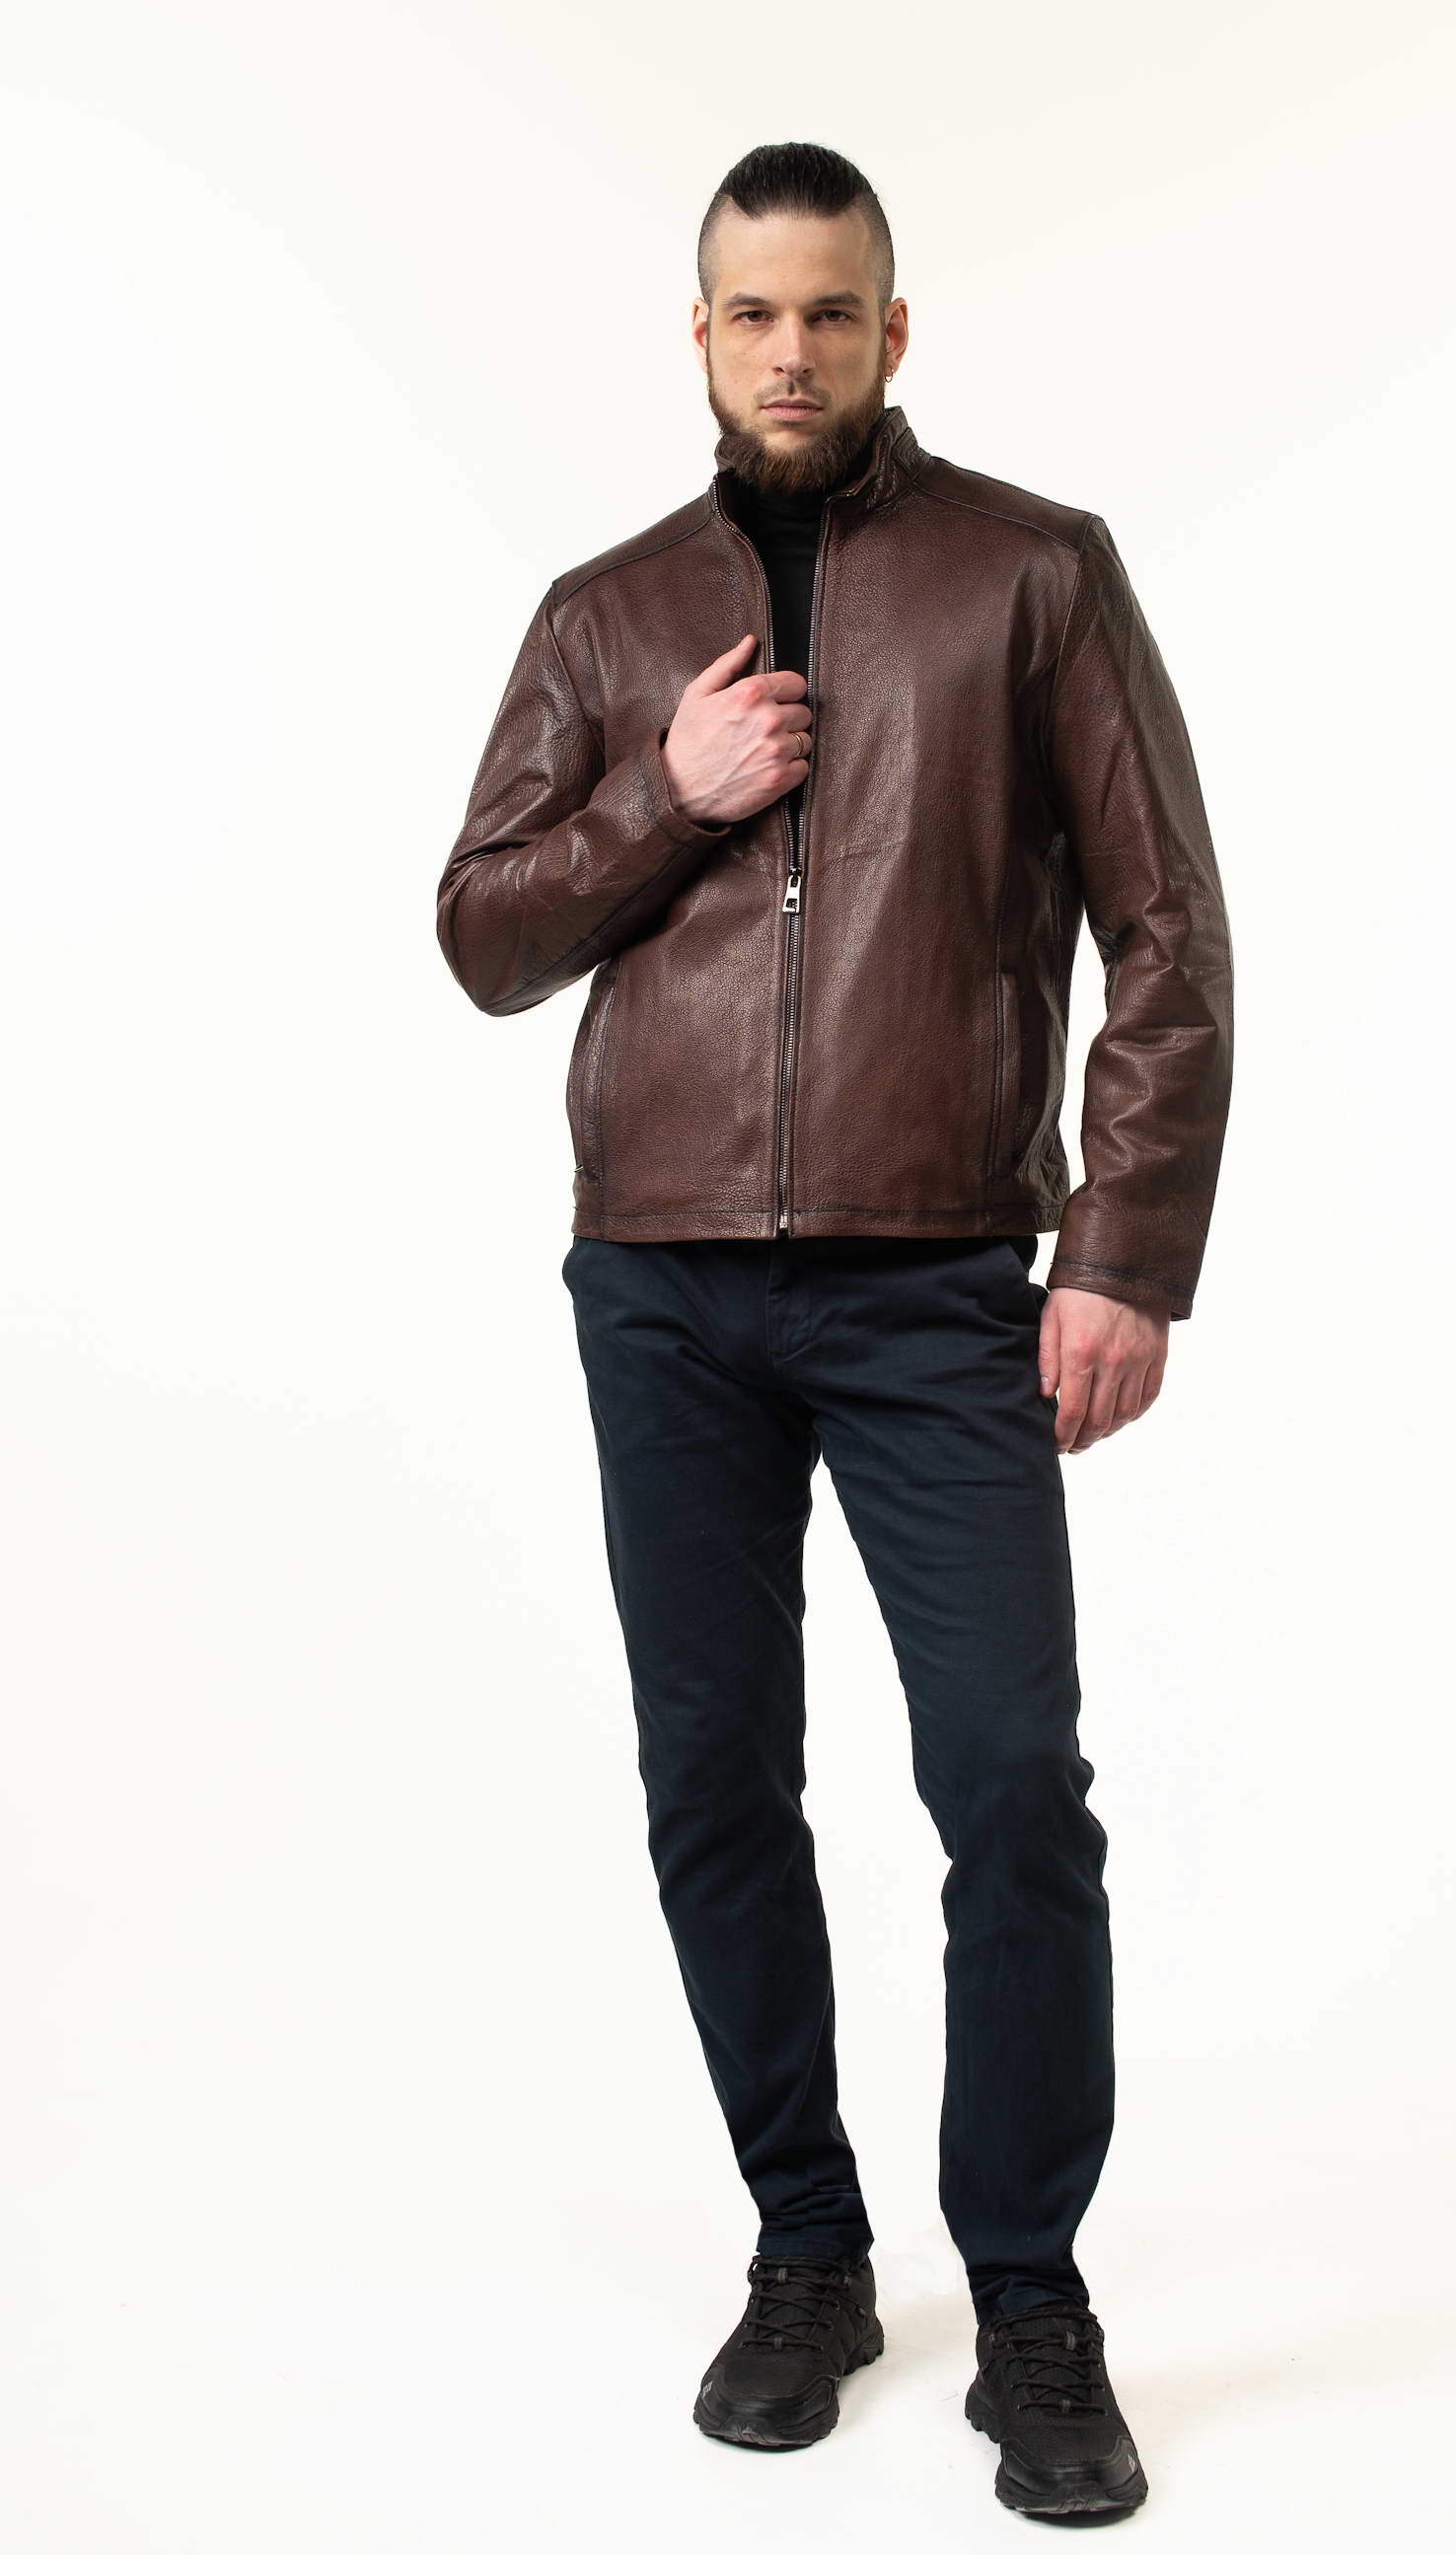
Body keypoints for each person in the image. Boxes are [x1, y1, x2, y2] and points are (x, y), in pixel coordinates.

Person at [435, 138, 1233, 2524]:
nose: (791, 349)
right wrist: (661, 799)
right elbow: (483, 933)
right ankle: (806, 2250)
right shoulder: (603, 618)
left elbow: (1169, 936)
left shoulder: (1034, 575)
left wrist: (1123, 1251)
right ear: (699, 335)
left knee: (1008, 1784)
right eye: (752, 311)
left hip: (934, 1280)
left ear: (895, 328)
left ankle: (1034, 2300)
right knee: (714, 1782)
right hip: (662, 1281)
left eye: (831, 309)